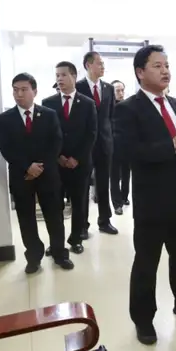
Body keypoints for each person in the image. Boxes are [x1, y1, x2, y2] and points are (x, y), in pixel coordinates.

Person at [113, 45, 176, 346]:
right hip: (152, 200)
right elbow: (128, 151)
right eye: (157, 66)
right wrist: (172, 146)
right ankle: (143, 317)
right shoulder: (128, 109)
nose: (165, 71)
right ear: (140, 72)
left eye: (167, 65)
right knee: (147, 261)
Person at [0, 73, 75, 274]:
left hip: (48, 174)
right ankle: (33, 257)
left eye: (24, 89)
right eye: (15, 90)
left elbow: (56, 142)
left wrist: (40, 167)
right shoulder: (4, 119)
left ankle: (59, 253)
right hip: (21, 176)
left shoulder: (49, 115)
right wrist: (27, 167)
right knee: (26, 219)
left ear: (35, 91)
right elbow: (6, 148)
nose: (19, 94)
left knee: (54, 216)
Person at [42, 61, 97, 256]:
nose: (59, 79)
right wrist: (58, 157)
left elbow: (91, 134)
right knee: (54, 205)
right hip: (56, 165)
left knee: (79, 203)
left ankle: (76, 239)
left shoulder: (88, 103)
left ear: (74, 76)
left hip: (80, 164)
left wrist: (76, 158)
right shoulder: (48, 103)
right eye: (57, 75)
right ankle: (56, 243)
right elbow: (45, 135)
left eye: (63, 75)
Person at [76, 51, 118, 235]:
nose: (103, 66)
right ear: (88, 65)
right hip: (85, 144)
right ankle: (82, 225)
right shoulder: (77, 87)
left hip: (105, 143)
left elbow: (112, 116)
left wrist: (112, 138)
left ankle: (104, 221)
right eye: (99, 63)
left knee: (103, 183)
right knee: (83, 185)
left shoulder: (108, 88)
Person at [110, 80, 131, 214]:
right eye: (117, 90)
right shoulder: (109, 106)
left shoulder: (128, 106)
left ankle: (124, 197)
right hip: (112, 146)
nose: (121, 93)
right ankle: (117, 203)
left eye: (122, 90)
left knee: (126, 173)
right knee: (114, 176)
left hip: (127, 145)